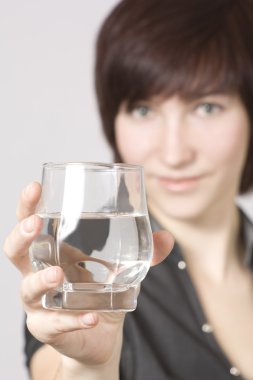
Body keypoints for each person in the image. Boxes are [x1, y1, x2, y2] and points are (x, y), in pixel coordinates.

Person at [3, 0, 253, 379]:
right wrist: (90, 365)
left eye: (206, 107)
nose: (173, 153)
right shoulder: (83, 270)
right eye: (142, 110)